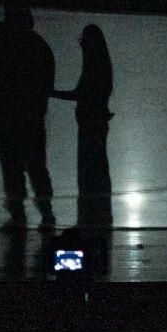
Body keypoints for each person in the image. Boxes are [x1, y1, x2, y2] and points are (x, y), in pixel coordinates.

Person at [0, 3, 57, 231]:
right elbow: (47, 83)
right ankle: (45, 214)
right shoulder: (38, 45)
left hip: (7, 114)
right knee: (34, 167)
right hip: (30, 116)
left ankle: (22, 215)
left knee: (13, 167)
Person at [52, 24, 114, 226]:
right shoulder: (99, 65)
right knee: (95, 170)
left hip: (91, 125)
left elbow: (82, 94)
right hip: (92, 123)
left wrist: (52, 93)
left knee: (90, 171)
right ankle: (95, 216)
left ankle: (91, 216)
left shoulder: (95, 66)